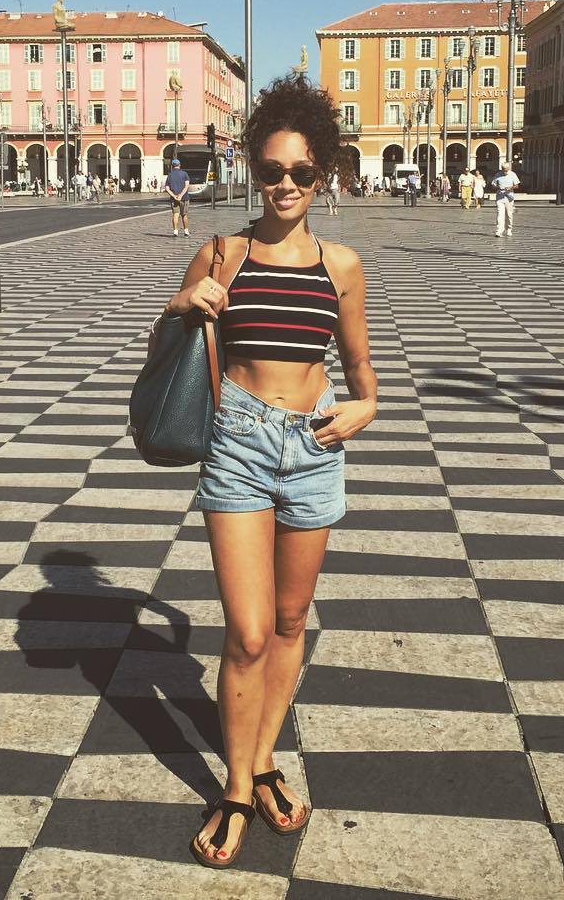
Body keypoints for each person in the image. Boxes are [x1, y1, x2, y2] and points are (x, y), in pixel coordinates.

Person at [159, 74, 377, 869]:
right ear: (255, 169)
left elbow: (360, 369)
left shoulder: (341, 265)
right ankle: (236, 788)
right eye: (273, 169)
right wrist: (180, 306)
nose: (285, 184)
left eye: (302, 172)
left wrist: (365, 408)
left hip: (314, 448)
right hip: (240, 445)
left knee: (289, 624)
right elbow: (165, 344)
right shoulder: (222, 253)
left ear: (324, 175)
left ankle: (260, 761)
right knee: (248, 633)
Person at [164, 157, 191, 237]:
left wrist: (174, 196)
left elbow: (167, 188)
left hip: (174, 198)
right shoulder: (184, 174)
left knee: (175, 214)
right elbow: (187, 186)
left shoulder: (170, 175)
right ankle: (186, 231)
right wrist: (181, 195)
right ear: (179, 165)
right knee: (184, 214)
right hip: (184, 198)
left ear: (172, 166)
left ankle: (175, 231)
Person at [493, 160, 520, 237]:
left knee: (509, 214)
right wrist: (498, 187)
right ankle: (499, 231)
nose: (505, 172)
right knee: (500, 214)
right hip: (500, 197)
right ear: (501, 169)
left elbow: (517, 186)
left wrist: (510, 187)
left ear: (508, 168)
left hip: (509, 197)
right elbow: (493, 185)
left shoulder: (513, 174)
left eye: (506, 170)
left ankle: (509, 229)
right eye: (504, 170)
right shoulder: (498, 175)